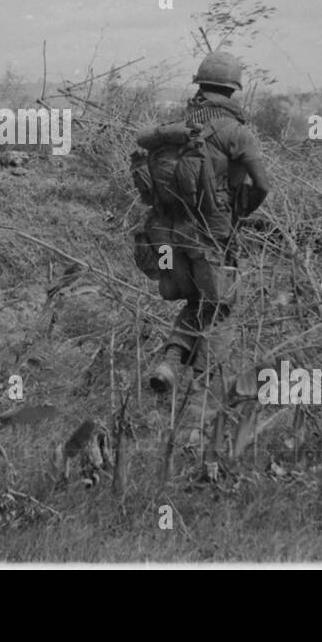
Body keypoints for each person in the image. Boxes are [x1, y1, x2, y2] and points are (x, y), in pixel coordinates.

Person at [136, 50, 271, 395]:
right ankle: (201, 391)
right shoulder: (236, 133)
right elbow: (263, 185)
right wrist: (239, 212)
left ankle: (169, 361)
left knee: (198, 303)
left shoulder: (173, 130)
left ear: (200, 86)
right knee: (222, 306)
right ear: (232, 90)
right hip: (208, 238)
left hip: (165, 240)